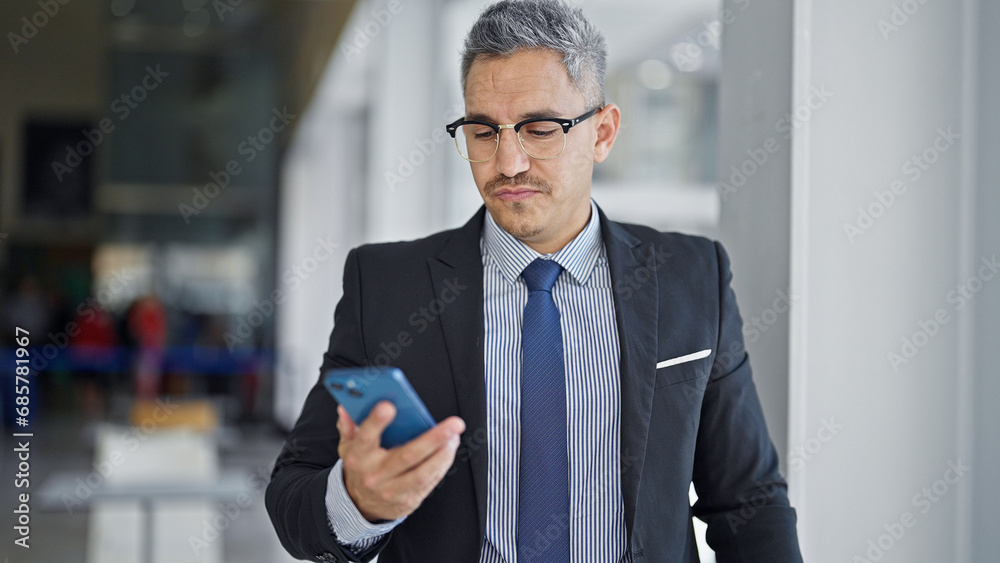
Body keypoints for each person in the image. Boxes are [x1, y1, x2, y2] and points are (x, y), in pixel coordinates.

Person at [266, 1, 803, 561]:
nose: (508, 162)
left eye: (540, 129)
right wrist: (359, 501)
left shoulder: (691, 277)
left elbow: (749, 499)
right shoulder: (387, 287)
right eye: (482, 131)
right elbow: (293, 494)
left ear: (603, 133)